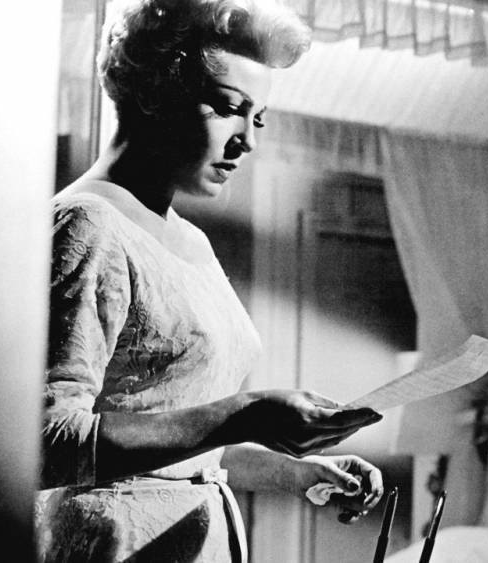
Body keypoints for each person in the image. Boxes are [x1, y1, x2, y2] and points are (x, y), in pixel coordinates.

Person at [34, 1, 384, 560]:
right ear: (154, 93)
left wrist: (300, 471)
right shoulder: (88, 224)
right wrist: (242, 414)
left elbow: (186, 441)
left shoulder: (192, 240)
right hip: (115, 543)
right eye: (228, 107)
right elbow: (44, 443)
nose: (248, 139)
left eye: (258, 117)